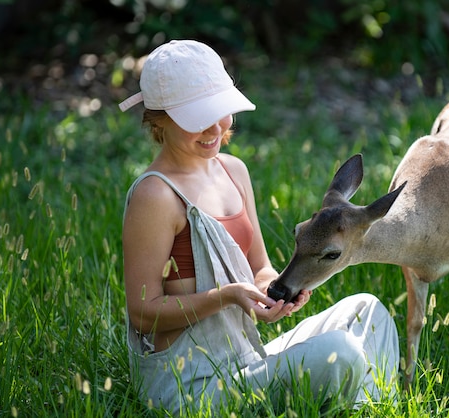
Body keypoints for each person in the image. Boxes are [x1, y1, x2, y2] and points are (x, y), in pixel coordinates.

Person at [119, 39, 400, 415]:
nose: (216, 128)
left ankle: (372, 409)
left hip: (244, 360)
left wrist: (277, 295)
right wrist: (227, 296)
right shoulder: (154, 195)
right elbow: (142, 312)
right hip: (190, 387)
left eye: (221, 112)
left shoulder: (234, 171)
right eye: (198, 118)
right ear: (159, 119)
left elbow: (260, 269)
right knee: (341, 353)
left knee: (368, 311)